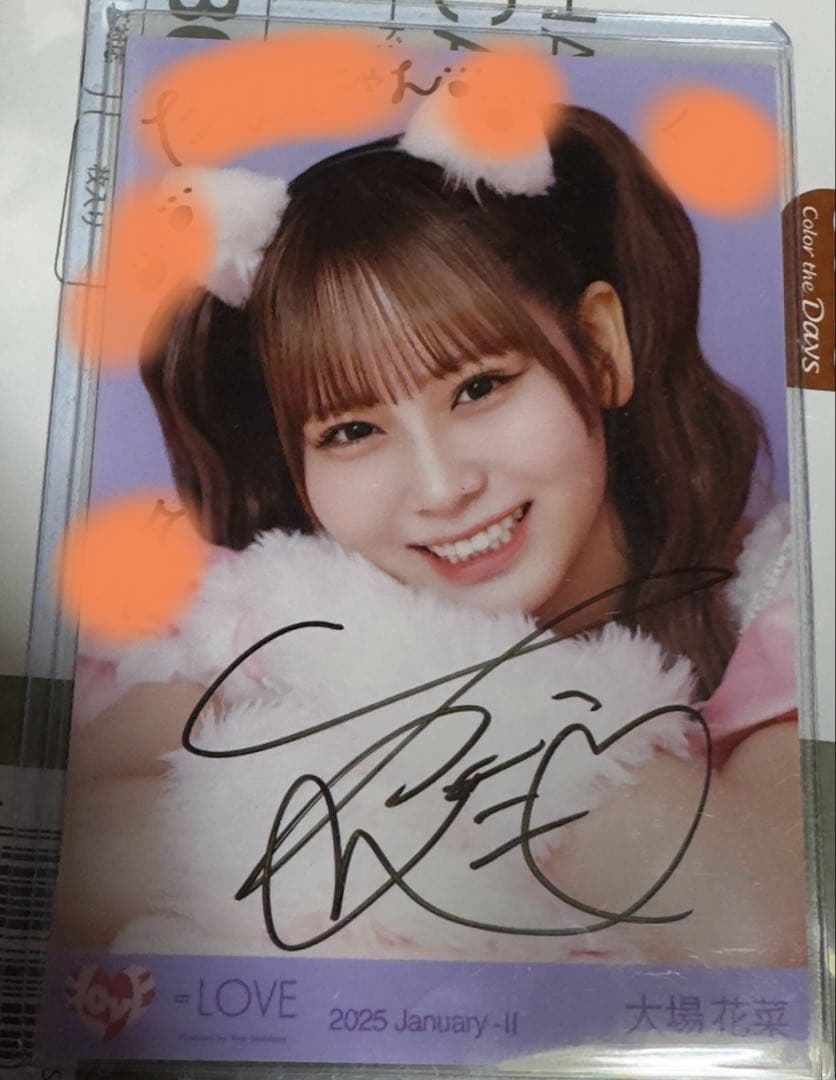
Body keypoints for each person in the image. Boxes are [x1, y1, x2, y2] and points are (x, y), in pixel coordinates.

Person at [52, 105, 804, 965]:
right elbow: (80, 857)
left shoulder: (785, 597)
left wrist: (394, 697)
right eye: (351, 432)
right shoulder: (254, 616)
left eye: (480, 388)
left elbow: (757, 926)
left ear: (600, 349)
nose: (443, 489)